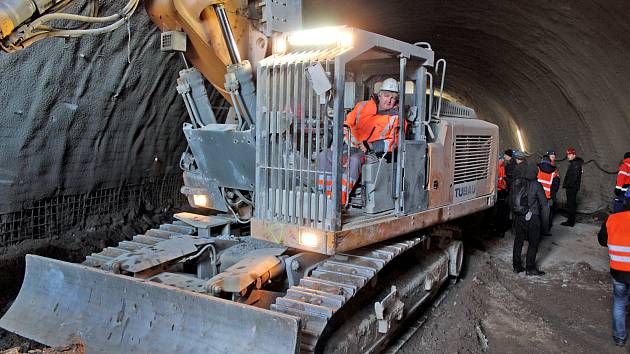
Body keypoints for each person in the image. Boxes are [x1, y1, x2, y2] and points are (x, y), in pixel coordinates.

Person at [318, 78, 404, 205]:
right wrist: (344, 137)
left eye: (393, 97)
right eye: (386, 96)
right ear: (379, 95)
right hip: (349, 146)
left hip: (371, 153)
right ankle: (325, 195)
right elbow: (347, 123)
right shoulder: (362, 106)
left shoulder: (396, 117)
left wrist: (371, 145)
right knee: (324, 155)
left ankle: (340, 200)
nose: (389, 100)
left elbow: (395, 142)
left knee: (355, 160)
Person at [598, 189, 630, 347]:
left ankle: (619, 337)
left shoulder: (612, 219)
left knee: (619, 302)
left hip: (618, 271)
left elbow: (602, 240)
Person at [561, 147, 583, 227]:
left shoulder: (576, 164)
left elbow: (575, 177)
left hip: (572, 188)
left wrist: (568, 185)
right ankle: (570, 221)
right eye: (568, 155)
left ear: (574, 155)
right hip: (571, 187)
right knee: (570, 204)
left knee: (571, 204)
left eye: (570, 155)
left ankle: (570, 222)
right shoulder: (573, 163)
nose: (568, 156)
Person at [537, 156, 560, 235]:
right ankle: (545, 231)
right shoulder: (554, 173)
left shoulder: (538, 169)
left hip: (537, 196)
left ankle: (535, 230)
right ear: (550, 162)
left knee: (536, 214)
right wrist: (553, 198)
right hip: (547, 197)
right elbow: (555, 186)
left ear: (542, 161)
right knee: (545, 216)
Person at [495, 154, 509, 237]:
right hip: (498, 191)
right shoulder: (496, 168)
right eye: (501, 159)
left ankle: (500, 230)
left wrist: (504, 185)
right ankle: (499, 229)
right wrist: (502, 186)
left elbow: (503, 178)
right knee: (499, 211)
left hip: (501, 191)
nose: (503, 161)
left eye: (503, 159)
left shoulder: (502, 167)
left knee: (501, 211)